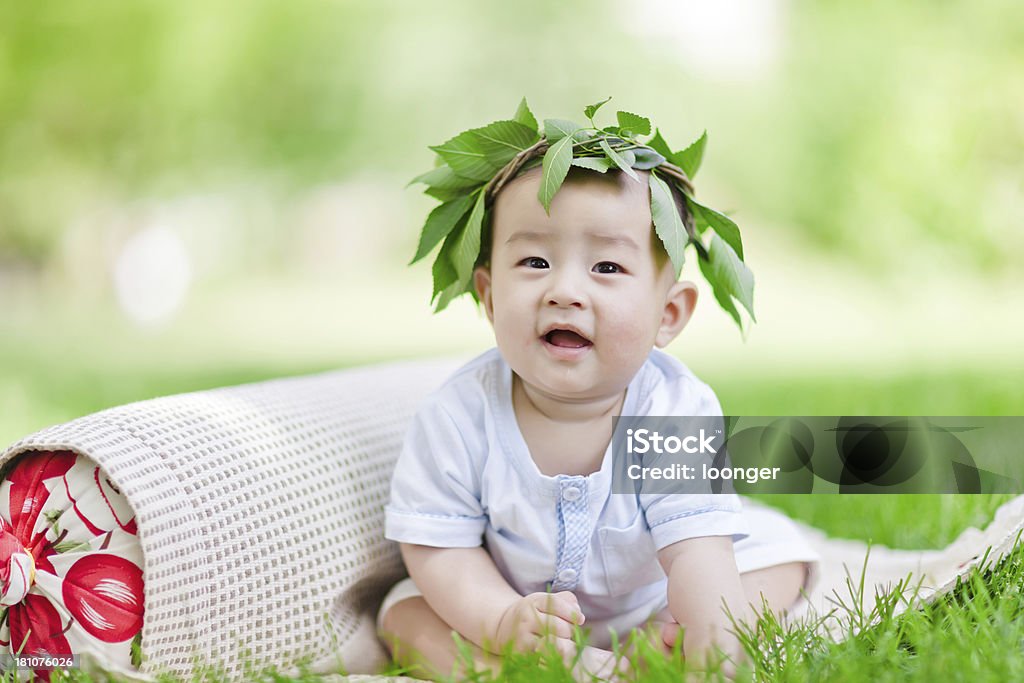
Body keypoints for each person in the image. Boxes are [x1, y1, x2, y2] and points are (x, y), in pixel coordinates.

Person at [379, 129, 819, 679]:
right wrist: (498, 620)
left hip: (654, 598)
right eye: (535, 262)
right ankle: (518, 667)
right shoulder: (457, 414)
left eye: (607, 268)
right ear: (489, 298)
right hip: (512, 603)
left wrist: (713, 655)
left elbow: (696, 552)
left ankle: (654, 647)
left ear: (669, 314)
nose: (564, 290)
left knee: (775, 562)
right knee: (402, 613)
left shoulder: (673, 408)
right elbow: (439, 549)